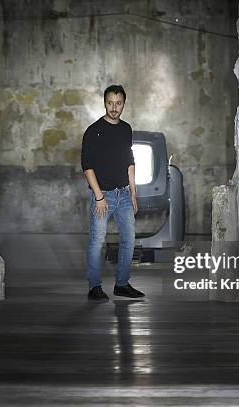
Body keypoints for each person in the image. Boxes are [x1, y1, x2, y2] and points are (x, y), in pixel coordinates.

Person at [81, 84, 145, 301]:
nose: (114, 107)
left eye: (118, 103)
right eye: (110, 103)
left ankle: (122, 284)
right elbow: (87, 166)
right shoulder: (93, 131)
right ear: (104, 103)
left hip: (124, 195)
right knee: (97, 241)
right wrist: (98, 196)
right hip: (103, 196)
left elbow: (129, 160)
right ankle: (94, 287)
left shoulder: (126, 129)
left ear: (124, 104)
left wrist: (133, 192)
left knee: (129, 239)